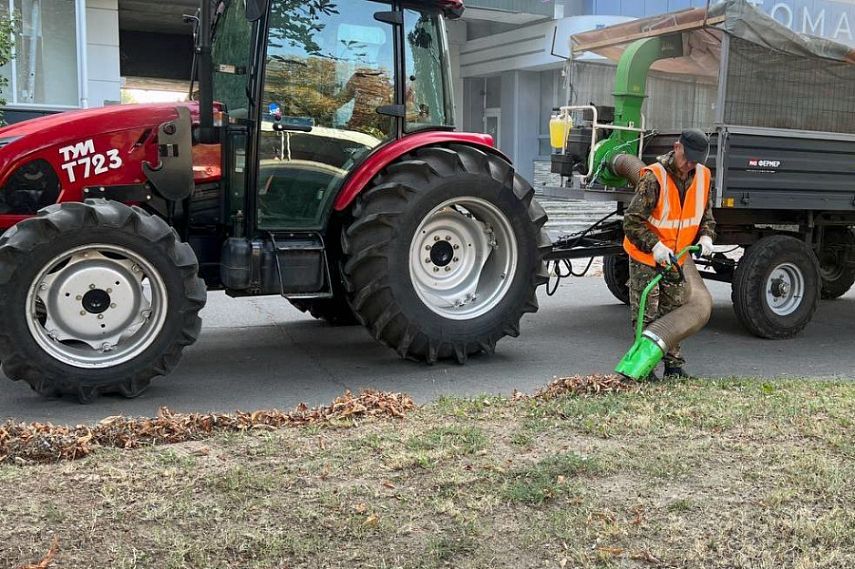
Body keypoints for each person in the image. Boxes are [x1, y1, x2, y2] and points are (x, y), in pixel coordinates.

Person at [622, 128, 716, 380]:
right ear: (677, 148)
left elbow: (706, 216)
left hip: (676, 258)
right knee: (647, 314)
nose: (689, 165)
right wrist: (654, 245)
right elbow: (631, 222)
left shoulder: (704, 176)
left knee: (674, 312)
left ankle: (674, 368)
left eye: (696, 161)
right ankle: (645, 369)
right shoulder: (654, 177)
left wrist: (707, 236)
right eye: (687, 158)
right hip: (647, 257)